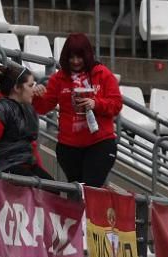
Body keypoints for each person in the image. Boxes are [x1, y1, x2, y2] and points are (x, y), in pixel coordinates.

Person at [34, 34, 122, 187]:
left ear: (87, 56)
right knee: (76, 192)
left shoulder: (103, 74)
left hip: (99, 142)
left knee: (89, 189)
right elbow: (43, 107)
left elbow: (116, 104)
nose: (75, 61)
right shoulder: (58, 79)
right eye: (71, 57)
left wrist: (96, 103)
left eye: (79, 57)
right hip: (69, 147)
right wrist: (36, 96)